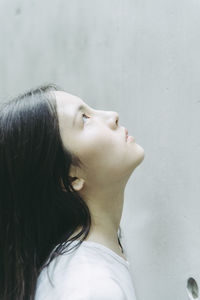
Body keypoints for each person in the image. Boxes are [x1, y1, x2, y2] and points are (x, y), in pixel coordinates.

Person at [0, 83, 145, 300]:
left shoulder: (81, 269)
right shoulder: (92, 288)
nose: (112, 116)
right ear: (70, 178)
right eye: (85, 119)